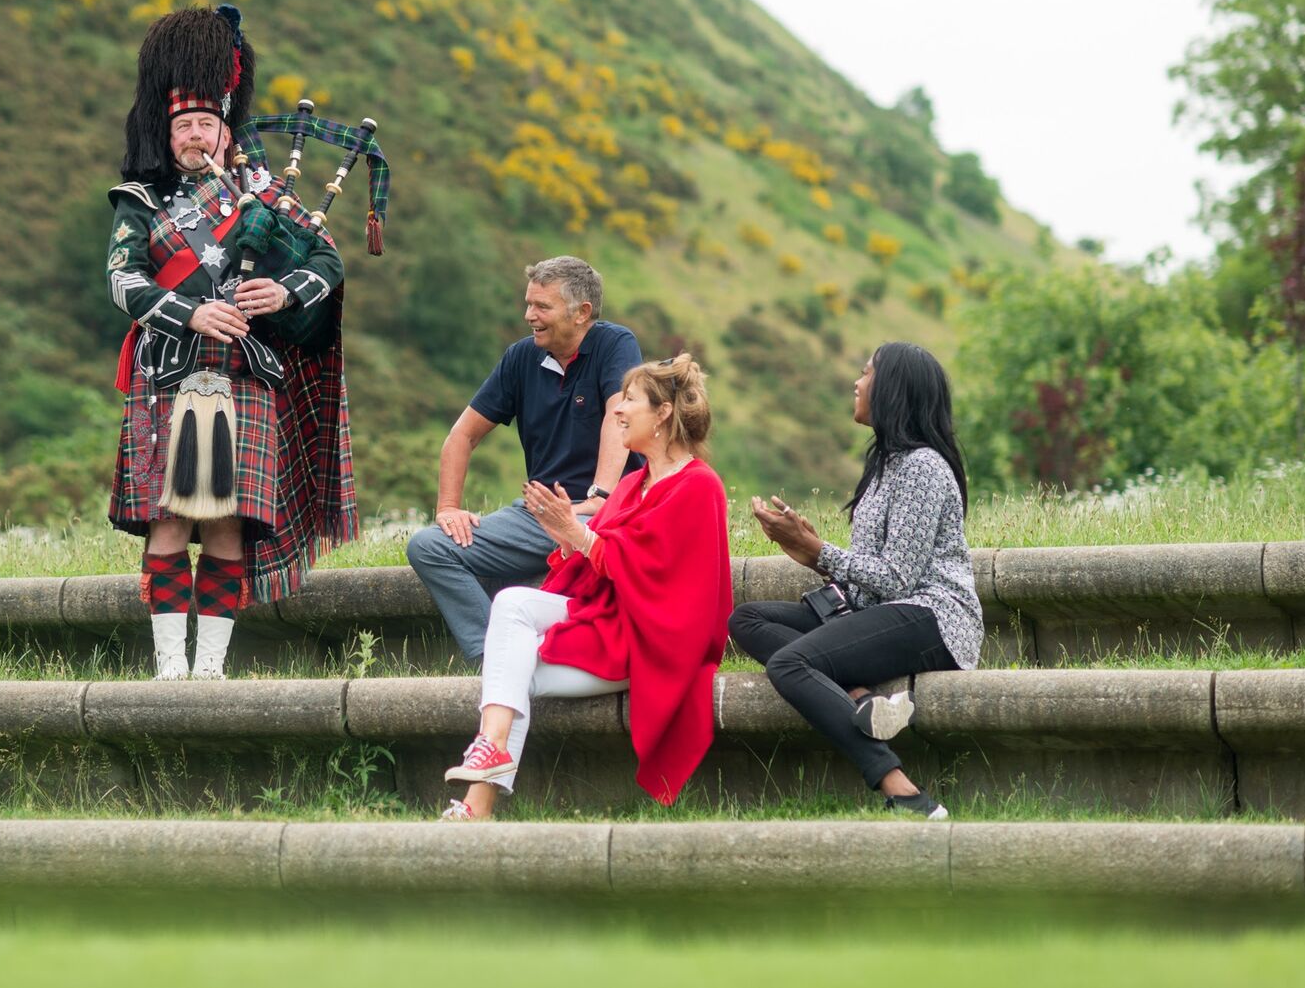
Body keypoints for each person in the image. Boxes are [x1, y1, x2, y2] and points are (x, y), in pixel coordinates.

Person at [107, 3, 358, 680]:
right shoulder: (142, 199)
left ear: (226, 131)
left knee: (226, 525)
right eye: (183, 125)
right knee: (168, 520)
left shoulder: (267, 196)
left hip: (245, 375)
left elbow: (329, 263)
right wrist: (189, 314)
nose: (195, 136)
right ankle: (170, 665)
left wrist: (283, 292)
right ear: (168, 132)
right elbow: (122, 280)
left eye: (206, 124)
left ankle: (210, 668)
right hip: (169, 374)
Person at [440, 355, 730, 820]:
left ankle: (479, 798)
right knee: (511, 627)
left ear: (662, 414)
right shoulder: (633, 483)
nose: (618, 410)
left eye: (630, 400)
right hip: (606, 619)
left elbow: (657, 575)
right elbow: (599, 562)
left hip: (648, 641)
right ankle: (486, 769)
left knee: (508, 668)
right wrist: (566, 538)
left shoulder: (699, 486)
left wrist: (580, 534)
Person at [732, 341, 981, 820]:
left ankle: (901, 788)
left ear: (892, 390)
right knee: (747, 619)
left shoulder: (923, 467)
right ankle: (859, 699)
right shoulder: (886, 464)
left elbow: (898, 578)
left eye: (866, 373)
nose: (856, 382)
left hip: (933, 617)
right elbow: (874, 574)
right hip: (883, 609)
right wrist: (810, 552)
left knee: (789, 663)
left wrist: (819, 551)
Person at [405, 257, 641, 663]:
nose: (529, 315)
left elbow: (619, 416)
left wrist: (599, 496)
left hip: (605, 517)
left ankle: (514, 657)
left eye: (542, 306)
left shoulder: (615, 344)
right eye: (529, 304)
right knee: (428, 546)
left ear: (582, 312)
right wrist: (448, 508)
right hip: (538, 517)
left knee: (584, 538)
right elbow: (462, 435)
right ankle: (495, 658)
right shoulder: (519, 358)